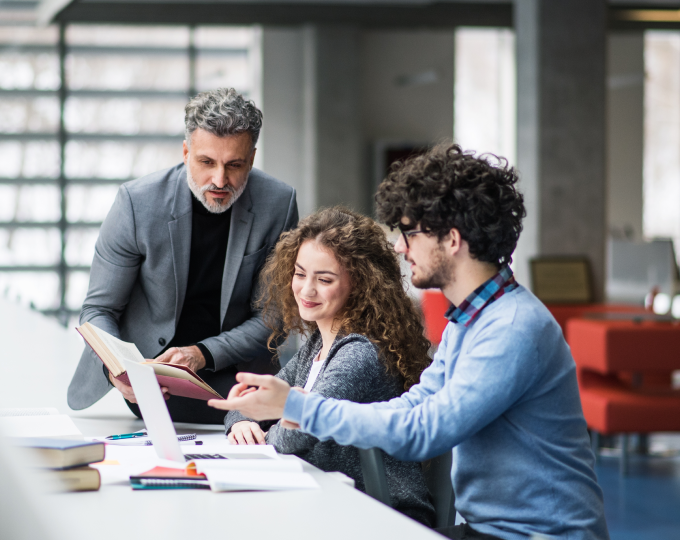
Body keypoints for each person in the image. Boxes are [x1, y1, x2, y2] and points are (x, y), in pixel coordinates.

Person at [211, 144, 610, 540]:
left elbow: (424, 431)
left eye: (410, 232)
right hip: (491, 530)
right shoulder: (467, 321)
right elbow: (415, 405)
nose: (401, 247)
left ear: (452, 240)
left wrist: (297, 406)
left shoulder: (513, 328)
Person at [67, 88, 299, 424]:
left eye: (235, 165)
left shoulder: (278, 204)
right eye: (207, 162)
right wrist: (117, 368)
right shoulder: (137, 204)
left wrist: (202, 354)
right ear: (186, 151)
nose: (220, 180)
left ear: (252, 157)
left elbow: (274, 315)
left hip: (237, 374)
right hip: (153, 378)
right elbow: (99, 310)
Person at [224, 207, 434, 525]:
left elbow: (294, 437)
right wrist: (242, 423)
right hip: (333, 504)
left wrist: (268, 426)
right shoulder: (317, 346)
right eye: (299, 273)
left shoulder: (360, 353)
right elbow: (244, 405)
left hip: (385, 516)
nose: (306, 290)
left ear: (361, 284)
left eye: (324, 279)